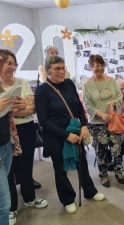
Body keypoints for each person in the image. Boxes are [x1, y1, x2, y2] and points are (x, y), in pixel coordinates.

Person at [35, 55, 104, 214]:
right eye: (57, 69)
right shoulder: (42, 90)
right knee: (60, 169)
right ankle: (67, 199)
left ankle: (90, 191)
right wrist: (66, 135)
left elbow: (79, 106)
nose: (61, 71)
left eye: (63, 67)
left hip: (75, 132)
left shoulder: (69, 84)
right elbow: (43, 120)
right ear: (48, 71)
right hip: (56, 136)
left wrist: (84, 126)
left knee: (82, 164)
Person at [0, 49, 48, 225]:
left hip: (26, 128)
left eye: (14, 63)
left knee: (27, 164)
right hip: (6, 132)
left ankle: (29, 198)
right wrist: (17, 109)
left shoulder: (22, 83)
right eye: (9, 63)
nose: (13, 67)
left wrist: (18, 109)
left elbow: (32, 108)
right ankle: (11, 208)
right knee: (8, 171)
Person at [83, 54, 124, 188]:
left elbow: (120, 96)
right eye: (96, 66)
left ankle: (118, 171)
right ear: (91, 67)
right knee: (101, 150)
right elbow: (87, 105)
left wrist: (114, 102)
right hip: (97, 124)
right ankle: (104, 175)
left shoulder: (111, 81)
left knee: (116, 149)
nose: (100, 68)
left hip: (113, 121)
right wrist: (101, 115)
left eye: (102, 65)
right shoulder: (87, 85)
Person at [0, 53, 22, 225]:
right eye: (8, 63)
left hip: (6, 143)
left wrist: (15, 105)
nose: (12, 67)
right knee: (4, 204)